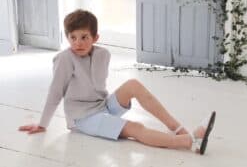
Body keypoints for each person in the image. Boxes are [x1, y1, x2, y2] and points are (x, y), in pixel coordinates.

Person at [18, 9, 216, 155]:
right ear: (68, 37)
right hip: (83, 118)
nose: (78, 43)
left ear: (95, 37)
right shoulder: (64, 59)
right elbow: (55, 93)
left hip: (101, 106)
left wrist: (108, 106)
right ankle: (190, 141)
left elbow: (96, 86)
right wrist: (43, 124)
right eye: (73, 37)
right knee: (135, 128)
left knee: (133, 85)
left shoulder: (103, 54)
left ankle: (178, 129)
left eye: (84, 37)